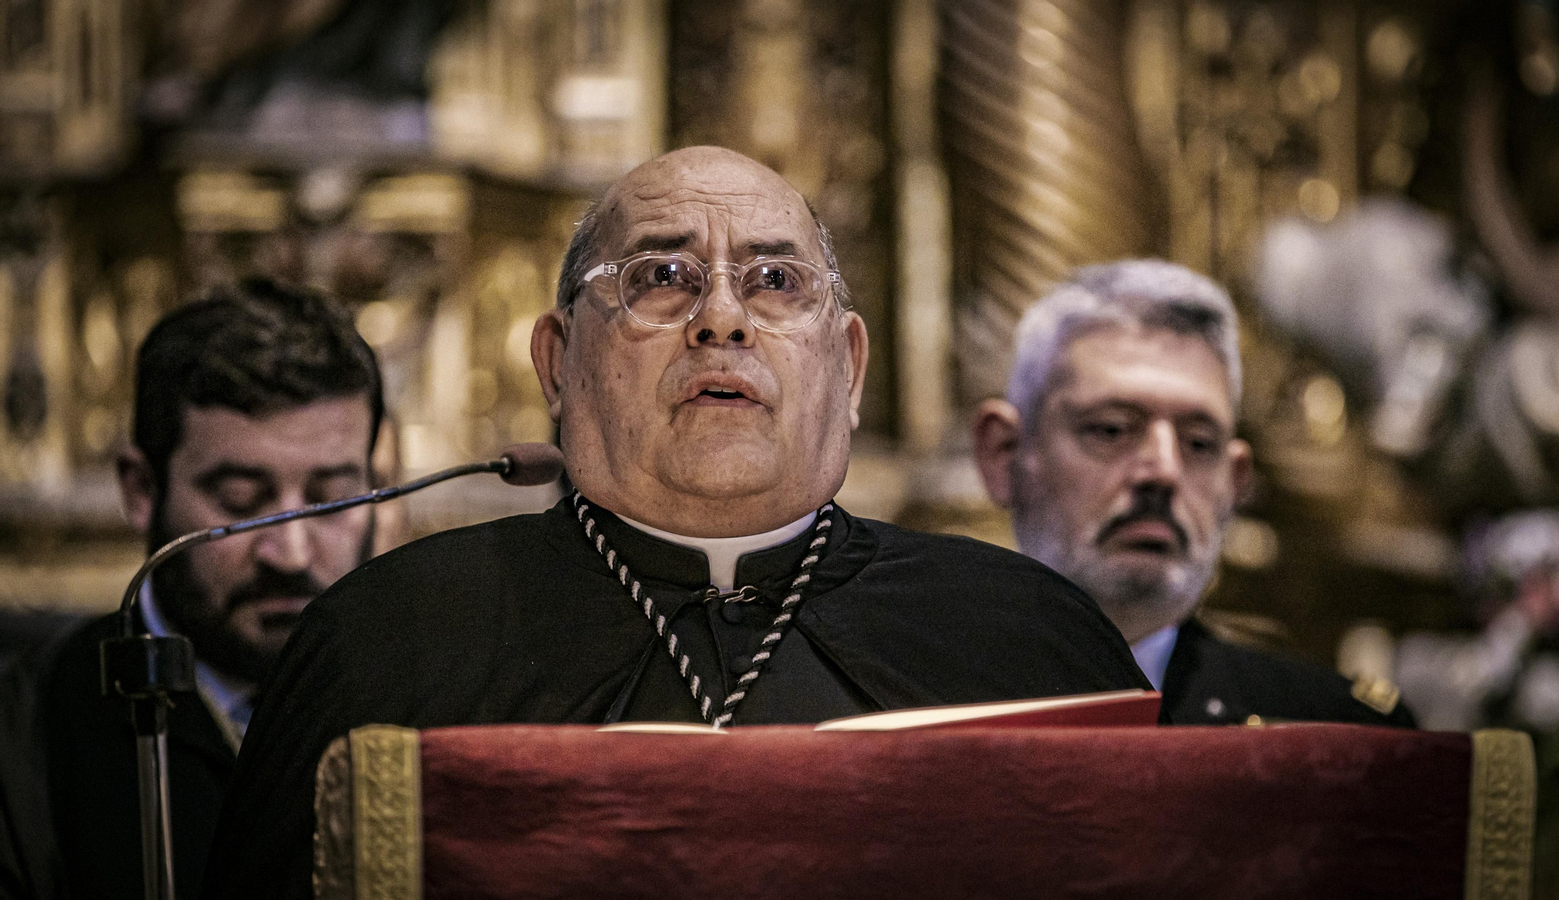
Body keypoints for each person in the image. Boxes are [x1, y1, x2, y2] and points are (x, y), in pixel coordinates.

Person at [203, 146, 1150, 899]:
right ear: (559, 362)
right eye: (663, 276)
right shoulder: (386, 641)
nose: (723, 319)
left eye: (776, 280)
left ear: (849, 367)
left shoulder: (1021, 635)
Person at [33, 278, 385, 900]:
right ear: (142, 490)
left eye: (333, 499)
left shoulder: (430, 698)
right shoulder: (30, 728)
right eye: (241, 501)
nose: (292, 553)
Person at [972, 259, 1413, 727]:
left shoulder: (1340, 734)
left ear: (1234, 482)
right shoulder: (921, 701)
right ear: (1005, 454)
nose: (1164, 471)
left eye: (1199, 444)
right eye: (1111, 429)